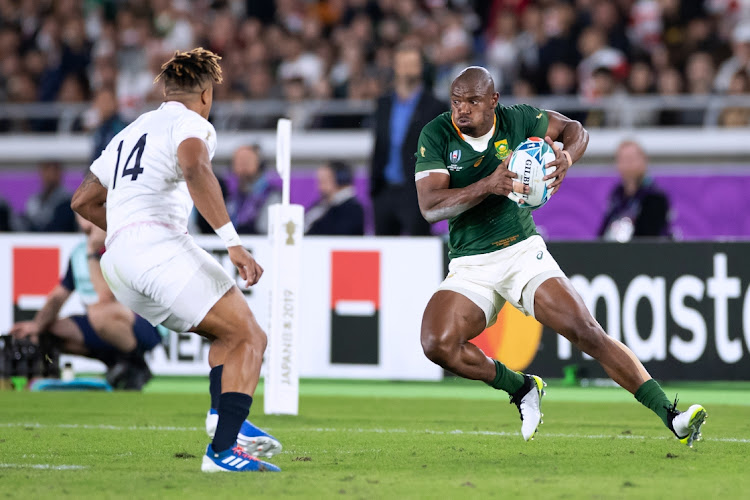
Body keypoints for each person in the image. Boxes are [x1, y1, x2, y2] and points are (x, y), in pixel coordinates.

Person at [414, 67, 706, 447]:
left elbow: (575, 130)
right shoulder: (436, 134)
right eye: (456, 101)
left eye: (471, 101)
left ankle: (673, 416)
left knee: (586, 331)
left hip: (521, 252)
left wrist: (567, 156)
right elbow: (430, 207)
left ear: (493, 101)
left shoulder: (518, 119)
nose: (462, 110)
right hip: (470, 263)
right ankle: (521, 387)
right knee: (437, 344)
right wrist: (490, 184)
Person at [70, 48, 282, 472]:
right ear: (205, 95)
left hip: (119, 261)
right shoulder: (191, 124)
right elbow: (195, 168)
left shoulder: (130, 131)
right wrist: (233, 242)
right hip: (158, 249)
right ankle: (222, 452)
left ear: (166, 90)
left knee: (229, 334)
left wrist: (124, 229)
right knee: (250, 338)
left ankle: (223, 417)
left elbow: (83, 199)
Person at [9, 215, 161, 390]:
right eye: (82, 214)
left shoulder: (121, 245)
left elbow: (105, 297)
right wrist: (36, 326)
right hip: (102, 323)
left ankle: (137, 365)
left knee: (100, 312)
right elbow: (58, 296)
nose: (87, 219)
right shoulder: (78, 253)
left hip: (143, 324)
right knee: (49, 331)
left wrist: (92, 251)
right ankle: (117, 364)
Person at [370, 42, 446, 236]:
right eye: (403, 63)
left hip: (416, 191)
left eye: (412, 63)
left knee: (417, 250)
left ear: (421, 67)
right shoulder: (383, 103)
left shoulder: (434, 106)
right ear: (395, 66)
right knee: (384, 252)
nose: (407, 68)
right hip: (385, 189)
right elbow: (379, 145)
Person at [598, 140, 671, 242]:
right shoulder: (617, 195)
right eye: (622, 160)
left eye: (630, 159)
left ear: (644, 161)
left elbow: (648, 239)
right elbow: (603, 233)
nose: (627, 165)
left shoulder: (654, 197)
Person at [225, 144, 281, 235]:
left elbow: (265, 230)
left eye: (247, 161)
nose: (243, 166)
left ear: (260, 164)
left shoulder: (271, 195)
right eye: (239, 161)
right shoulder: (231, 196)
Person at [304, 161, 365, 235]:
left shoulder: (352, 209)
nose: (319, 187)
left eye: (324, 181)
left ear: (341, 179)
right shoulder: (322, 204)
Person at [21, 162, 77, 233]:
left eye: (55, 170)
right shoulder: (34, 200)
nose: (51, 174)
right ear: (41, 172)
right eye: (47, 169)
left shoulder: (69, 200)